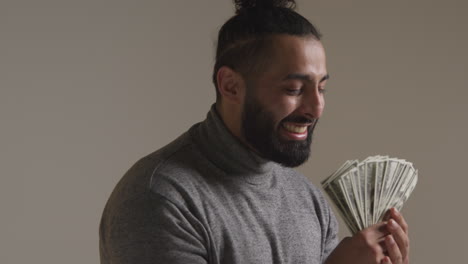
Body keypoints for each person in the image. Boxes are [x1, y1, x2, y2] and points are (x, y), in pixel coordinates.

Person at [99, 0, 410, 263]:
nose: (315, 108)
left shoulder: (310, 201)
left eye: (322, 88)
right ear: (230, 85)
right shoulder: (162, 199)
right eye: (294, 89)